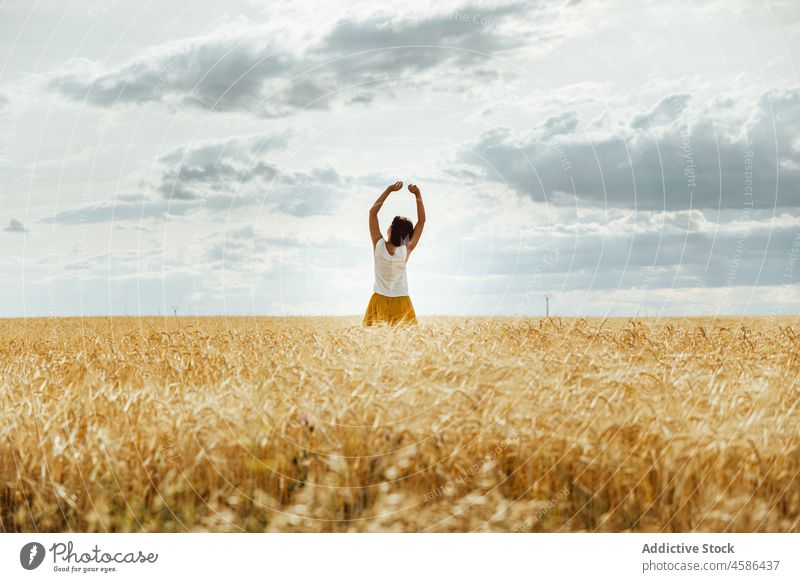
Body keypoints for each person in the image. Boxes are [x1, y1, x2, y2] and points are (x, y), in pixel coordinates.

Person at [363, 181, 426, 326]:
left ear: (390, 229)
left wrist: (389, 190)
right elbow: (421, 221)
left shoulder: (378, 245)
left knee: (375, 343)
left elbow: (373, 213)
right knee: (406, 344)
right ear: (407, 235)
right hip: (402, 301)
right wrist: (417, 194)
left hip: (379, 300)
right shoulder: (406, 250)